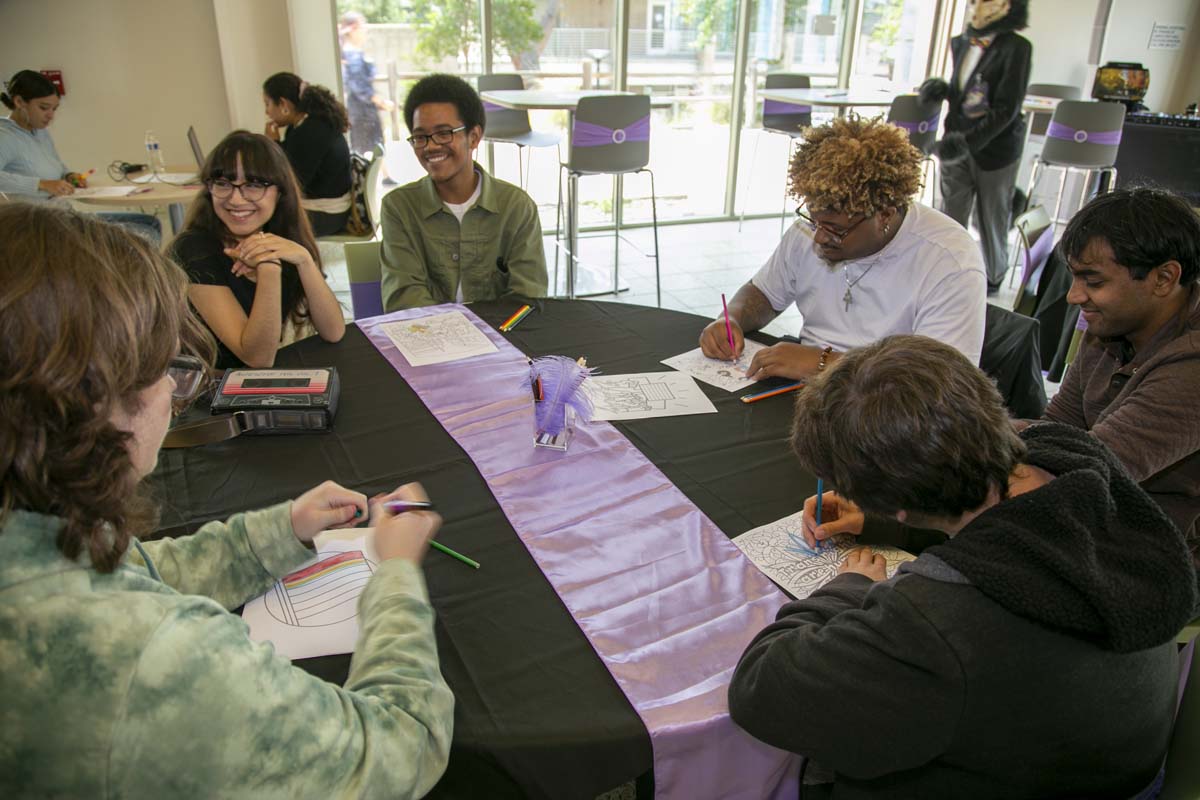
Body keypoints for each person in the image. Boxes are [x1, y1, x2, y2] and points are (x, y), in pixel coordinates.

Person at [0, 202, 453, 799]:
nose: (174, 391)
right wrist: (394, 574)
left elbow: (139, 569)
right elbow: (401, 748)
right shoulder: (158, 659)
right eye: (166, 369)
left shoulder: (30, 530)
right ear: (95, 404)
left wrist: (283, 529)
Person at [728, 334, 1196, 798]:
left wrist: (849, 587)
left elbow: (760, 688)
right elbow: (1009, 521)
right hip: (1119, 765)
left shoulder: (938, 619)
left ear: (900, 503)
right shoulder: (1080, 464)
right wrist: (889, 525)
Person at [806, 189, 1200, 589]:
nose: (1073, 296)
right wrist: (891, 506)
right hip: (1082, 512)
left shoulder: (1190, 370)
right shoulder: (1116, 328)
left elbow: (1076, 470)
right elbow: (1054, 432)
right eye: (1076, 277)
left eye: (1093, 281)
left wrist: (901, 499)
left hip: (1154, 559)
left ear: (1164, 278)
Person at [699, 116, 986, 380]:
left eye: (836, 229)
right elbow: (763, 293)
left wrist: (823, 363)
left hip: (889, 411)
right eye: (814, 220)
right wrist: (731, 318)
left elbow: (940, 381)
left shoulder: (949, 260)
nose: (819, 237)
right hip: (810, 393)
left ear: (884, 214)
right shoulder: (811, 229)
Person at [169, 130, 345, 369]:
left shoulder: (283, 241)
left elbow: (333, 331)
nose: (236, 199)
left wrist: (304, 260)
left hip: (251, 385)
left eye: (253, 185)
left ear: (280, 192)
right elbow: (258, 358)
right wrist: (269, 268)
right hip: (208, 390)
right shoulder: (194, 250)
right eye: (222, 184)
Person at [380, 74, 548, 311]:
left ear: (474, 137)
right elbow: (404, 299)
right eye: (420, 137)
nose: (431, 146)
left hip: (502, 339)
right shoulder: (398, 208)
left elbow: (528, 297)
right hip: (427, 340)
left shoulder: (516, 207)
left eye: (444, 133)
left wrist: (491, 338)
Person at [921, 0, 1032, 291]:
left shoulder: (1017, 48)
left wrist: (968, 143)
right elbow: (968, 92)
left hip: (996, 147)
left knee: (991, 214)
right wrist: (944, 91)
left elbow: (1006, 108)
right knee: (950, 212)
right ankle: (945, 272)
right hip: (955, 139)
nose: (978, 6)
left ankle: (992, 278)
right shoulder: (961, 42)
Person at [0, 69, 161, 243]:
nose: (51, 115)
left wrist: (69, 175)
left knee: (151, 224)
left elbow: (57, 166)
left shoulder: (39, 132)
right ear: (19, 102)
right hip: (43, 227)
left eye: (54, 109)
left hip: (64, 215)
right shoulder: (5, 136)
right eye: (44, 108)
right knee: (145, 236)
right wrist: (42, 184)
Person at [263, 72, 353, 236]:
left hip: (327, 214)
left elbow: (292, 181)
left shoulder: (310, 130)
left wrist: (273, 144)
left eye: (268, 104)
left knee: (261, 218)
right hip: (325, 208)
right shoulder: (302, 126)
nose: (266, 112)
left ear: (283, 104)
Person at [339, 11, 391, 156]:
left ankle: (385, 177)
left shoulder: (350, 53)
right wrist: (380, 102)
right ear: (354, 29)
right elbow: (360, 87)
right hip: (362, 113)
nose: (365, 32)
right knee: (369, 150)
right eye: (363, 28)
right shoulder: (352, 55)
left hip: (359, 111)